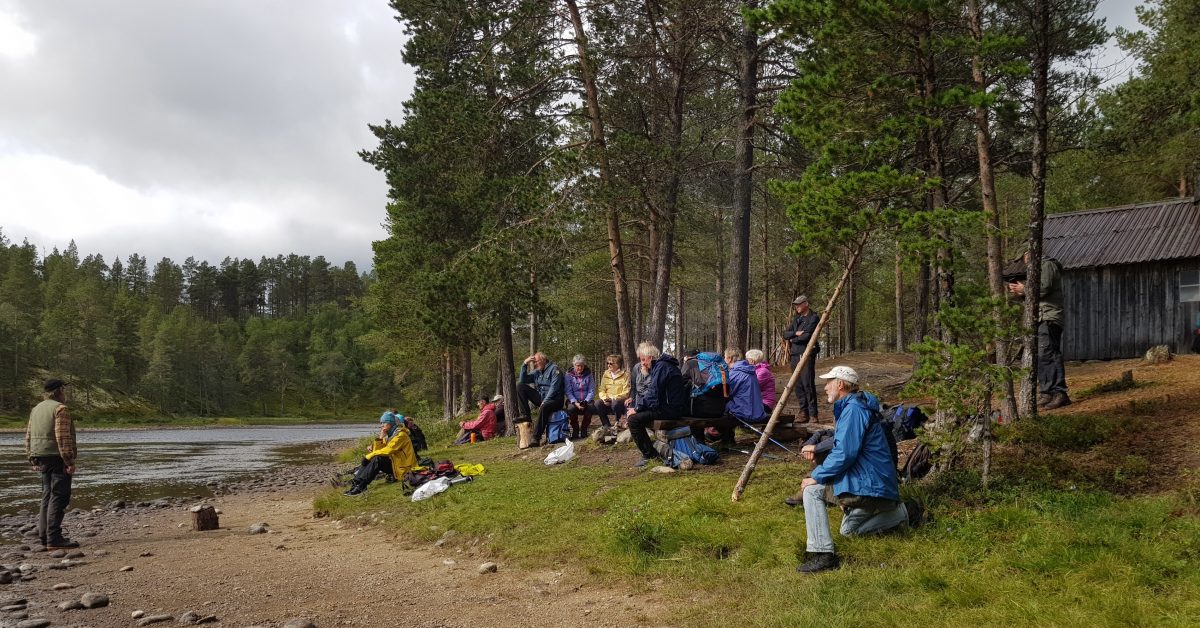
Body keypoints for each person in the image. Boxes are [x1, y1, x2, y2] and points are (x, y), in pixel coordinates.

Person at [793, 366, 908, 574]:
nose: (826, 387)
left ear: (840, 384)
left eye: (829, 382)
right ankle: (899, 513)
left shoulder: (854, 409)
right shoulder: (854, 407)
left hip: (870, 482)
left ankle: (823, 554)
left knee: (811, 491)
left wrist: (816, 476)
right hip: (872, 480)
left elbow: (845, 453)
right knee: (848, 533)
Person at [1007, 253, 1070, 409]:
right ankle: (1047, 393)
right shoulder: (1037, 268)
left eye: (1023, 257)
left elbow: (1044, 288)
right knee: (1041, 357)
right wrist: (1021, 292)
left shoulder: (1047, 265)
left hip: (1048, 316)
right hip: (1041, 317)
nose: (1023, 261)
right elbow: (1036, 295)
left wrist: (1025, 288)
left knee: (1048, 354)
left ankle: (1059, 393)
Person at [25, 379, 79, 550]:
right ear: (57, 392)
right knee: (59, 495)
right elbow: (62, 437)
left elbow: (28, 435)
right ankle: (54, 538)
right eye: (64, 390)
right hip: (56, 457)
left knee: (47, 495)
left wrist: (31, 458)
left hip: (40, 456)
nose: (65, 394)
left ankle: (44, 536)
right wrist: (69, 460)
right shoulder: (60, 409)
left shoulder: (36, 409)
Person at [624, 342, 688, 468]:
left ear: (650, 357)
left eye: (643, 359)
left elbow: (653, 395)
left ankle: (650, 455)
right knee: (636, 416)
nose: (642, 363)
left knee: (633, 420)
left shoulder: (662, 367)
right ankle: (654, 450)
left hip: (671, 409)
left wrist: (637, 409)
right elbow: (654, 394)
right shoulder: (662, 366)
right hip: (669, 407)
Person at [343, 423, 418, 496]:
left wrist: (369, 456)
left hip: (405, 468)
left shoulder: (401, 435)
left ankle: (362, 486)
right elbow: (378, 451)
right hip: (396, 465)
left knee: (377, 459)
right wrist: (380, 438)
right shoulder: (389, 435)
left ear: (390, 424)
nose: (381, 425)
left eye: (384, 422)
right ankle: (357, 483)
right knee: (372, 458)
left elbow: (388, 450)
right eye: (381, 423)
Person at [516, 352, 565, 448]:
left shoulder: (554, 370)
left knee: (544, 406)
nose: (534, 364)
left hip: (555, 400)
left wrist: (545, 401)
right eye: (533, 363)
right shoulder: (537, 371)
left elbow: (554, 388)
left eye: (536, 362)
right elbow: (522, 380)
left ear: (543, 360)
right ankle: (525, 415)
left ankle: (536, 437)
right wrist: (524, 364)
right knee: (520, 386)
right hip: (542, 398)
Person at [783, 295, 820, 421]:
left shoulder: (813, 317)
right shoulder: (796, 318)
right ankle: (803, 412)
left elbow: (807, 336)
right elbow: (785, 334)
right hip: (794, 354)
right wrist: (795, 334)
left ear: (806, 304)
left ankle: (813, 414)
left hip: (806, 353)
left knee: (807, 383)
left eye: (799, 304)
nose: (796, 307)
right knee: (798, 384)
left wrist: (794, 338)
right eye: (796, 304)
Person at [717, 354, 765, 447]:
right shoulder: (750, 370)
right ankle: (727, 439)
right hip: (758, 410)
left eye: (725, 357)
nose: (724, 359)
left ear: (730, 358)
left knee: (720, 408)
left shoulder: (735, 373)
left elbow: (727, 394)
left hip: (744, 411)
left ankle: (727, 439)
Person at [564, 355, 596, 439]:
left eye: (581, 365)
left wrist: (585, 401)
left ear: (584, 365)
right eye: (577, 366)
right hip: (573, 400)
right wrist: (575, 402)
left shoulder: (589, 374)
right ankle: (575, 428)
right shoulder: (568, 375)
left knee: (591, 408)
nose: (580, 368)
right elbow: (568, 391)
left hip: (586, 400)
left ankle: (584, 428)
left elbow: (591, 390)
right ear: (574, 365)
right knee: (571, 409)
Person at [595, 354, 631, 429]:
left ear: (617, 364)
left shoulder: (625, 375)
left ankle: (618, 424)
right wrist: (604, 398)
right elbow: (602, 390)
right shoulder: (606, 374)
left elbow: (626, 392)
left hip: (619, 401)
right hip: (607, 400)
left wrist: (613, 398)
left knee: (615, 403)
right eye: (607, 363)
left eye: (611, 363)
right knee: (597, 403)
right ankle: (606, 425)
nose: (608, 365)